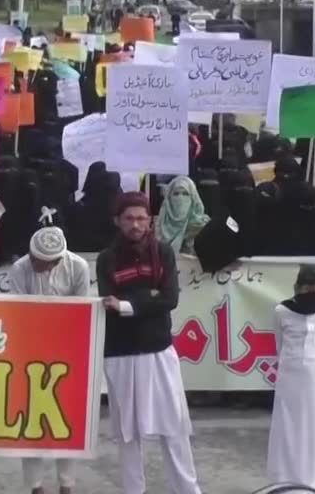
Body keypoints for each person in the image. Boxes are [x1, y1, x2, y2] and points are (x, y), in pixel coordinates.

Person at [97, 192, 201, 494]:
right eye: (129, 218)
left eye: (141, 218)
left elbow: (169, 299)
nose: (136, 224)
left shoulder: (164, 253)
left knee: (175, 428)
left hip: (158, 350)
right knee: (128, 434)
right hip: (120, 354)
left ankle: (188, 490)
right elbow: (109, 303)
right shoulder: (107, 259)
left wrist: (128, 304)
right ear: (118, 221)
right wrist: (147, 298)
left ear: (150, 221)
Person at [9, 226, 88, 494]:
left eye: (40, 262)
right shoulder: (20, 268)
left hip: (67, 355)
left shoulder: (77, 267)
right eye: (32, 257)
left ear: (57, 261)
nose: (33, 263)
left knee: (65, 422)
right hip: (29, 354)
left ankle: (66, 484)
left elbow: (80, 314)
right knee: (32, 424)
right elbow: (20, 313)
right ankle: (35, 487)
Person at [266, 265, 315, 493]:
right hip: (291, 375)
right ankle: (288, 479)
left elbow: (281, 346)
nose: (314, 291)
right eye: (309, 285)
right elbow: (279, 345)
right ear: (299, 286)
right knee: (290, 426)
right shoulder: (281, 311)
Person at [155, 176, 209, 257]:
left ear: (193, 198)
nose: (180, 198)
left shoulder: (203, 226)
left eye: (185, 194)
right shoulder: (159, 226)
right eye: (176, 194)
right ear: (168, 199)